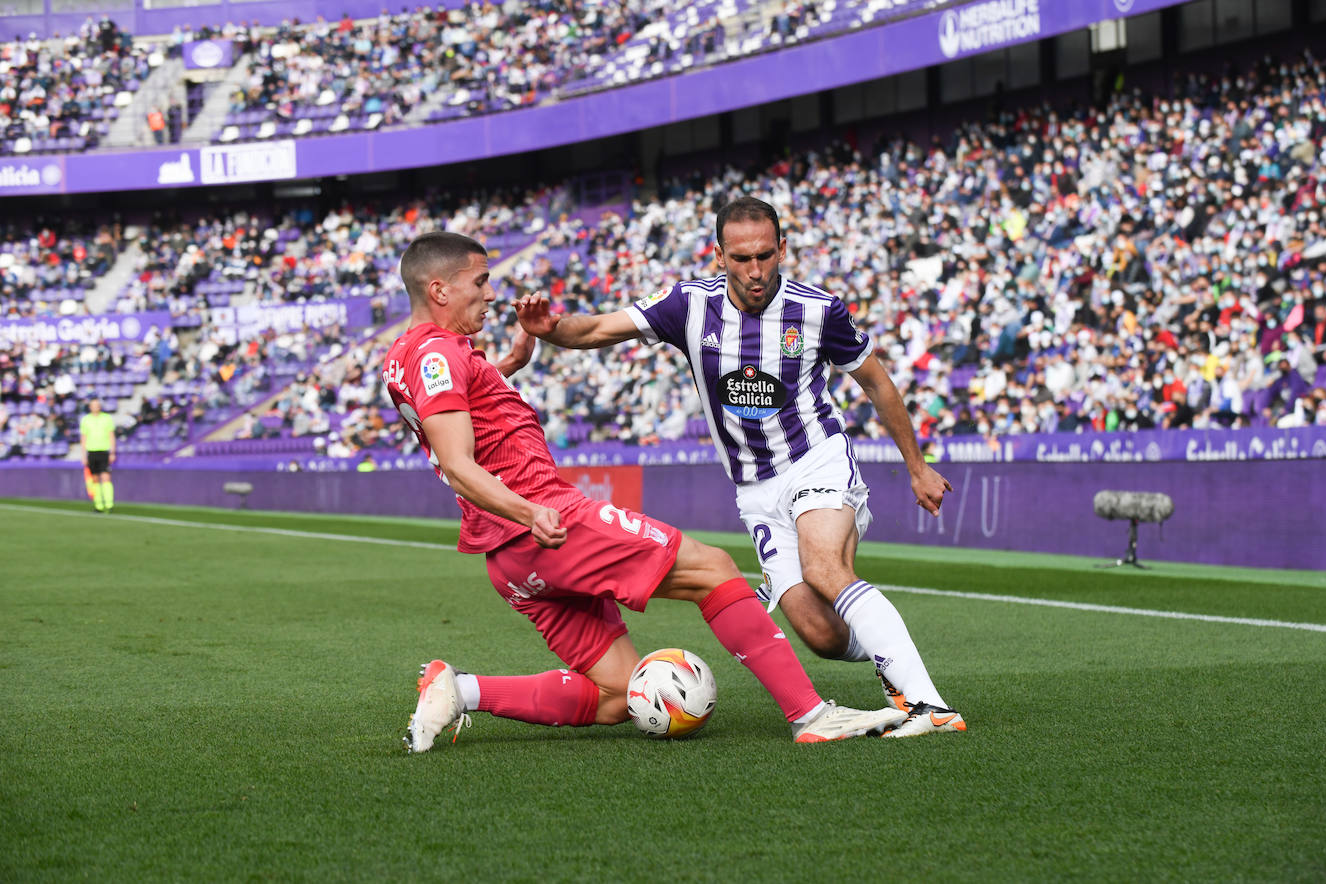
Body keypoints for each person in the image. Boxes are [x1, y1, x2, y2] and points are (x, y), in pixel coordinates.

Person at [385, 231, 903, 752]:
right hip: (545, 523)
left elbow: (458, 403)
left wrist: (508, 368)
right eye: (480, 281)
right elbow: (456, 463)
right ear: (440, 290)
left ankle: (458, 690)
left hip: (507, 558)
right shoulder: (438, 353)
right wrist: (530, 512)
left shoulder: (409, 354)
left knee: (619, 695)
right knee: (714, 570)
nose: (491, 294)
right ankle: (812, 715)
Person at [516, 197, 965, 738]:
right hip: (754, 487)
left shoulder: (818, 309)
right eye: (741, 258)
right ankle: (891, 664)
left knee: (826, 568)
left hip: (815, 456)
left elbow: (876, 381)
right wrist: (550, 327)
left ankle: (929, 706)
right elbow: (593, 331)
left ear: (782, 249)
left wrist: (916, 467)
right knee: (818, 631)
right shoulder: (687, 304)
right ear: (719, 255)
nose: (755, 270)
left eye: (765, 255)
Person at [79, 398, 116, 512]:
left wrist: (112, 452)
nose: (96, 407)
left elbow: (111, 435)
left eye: (97, 405)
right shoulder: (85, 420)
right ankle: (98, 504)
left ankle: (109, 504)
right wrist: (84, 455)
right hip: (92, 452)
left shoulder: (107, 418)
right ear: (90, 407)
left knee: (106, 477)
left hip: (104, 451)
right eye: (93, 405)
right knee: (95, 479)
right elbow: (83, 438)